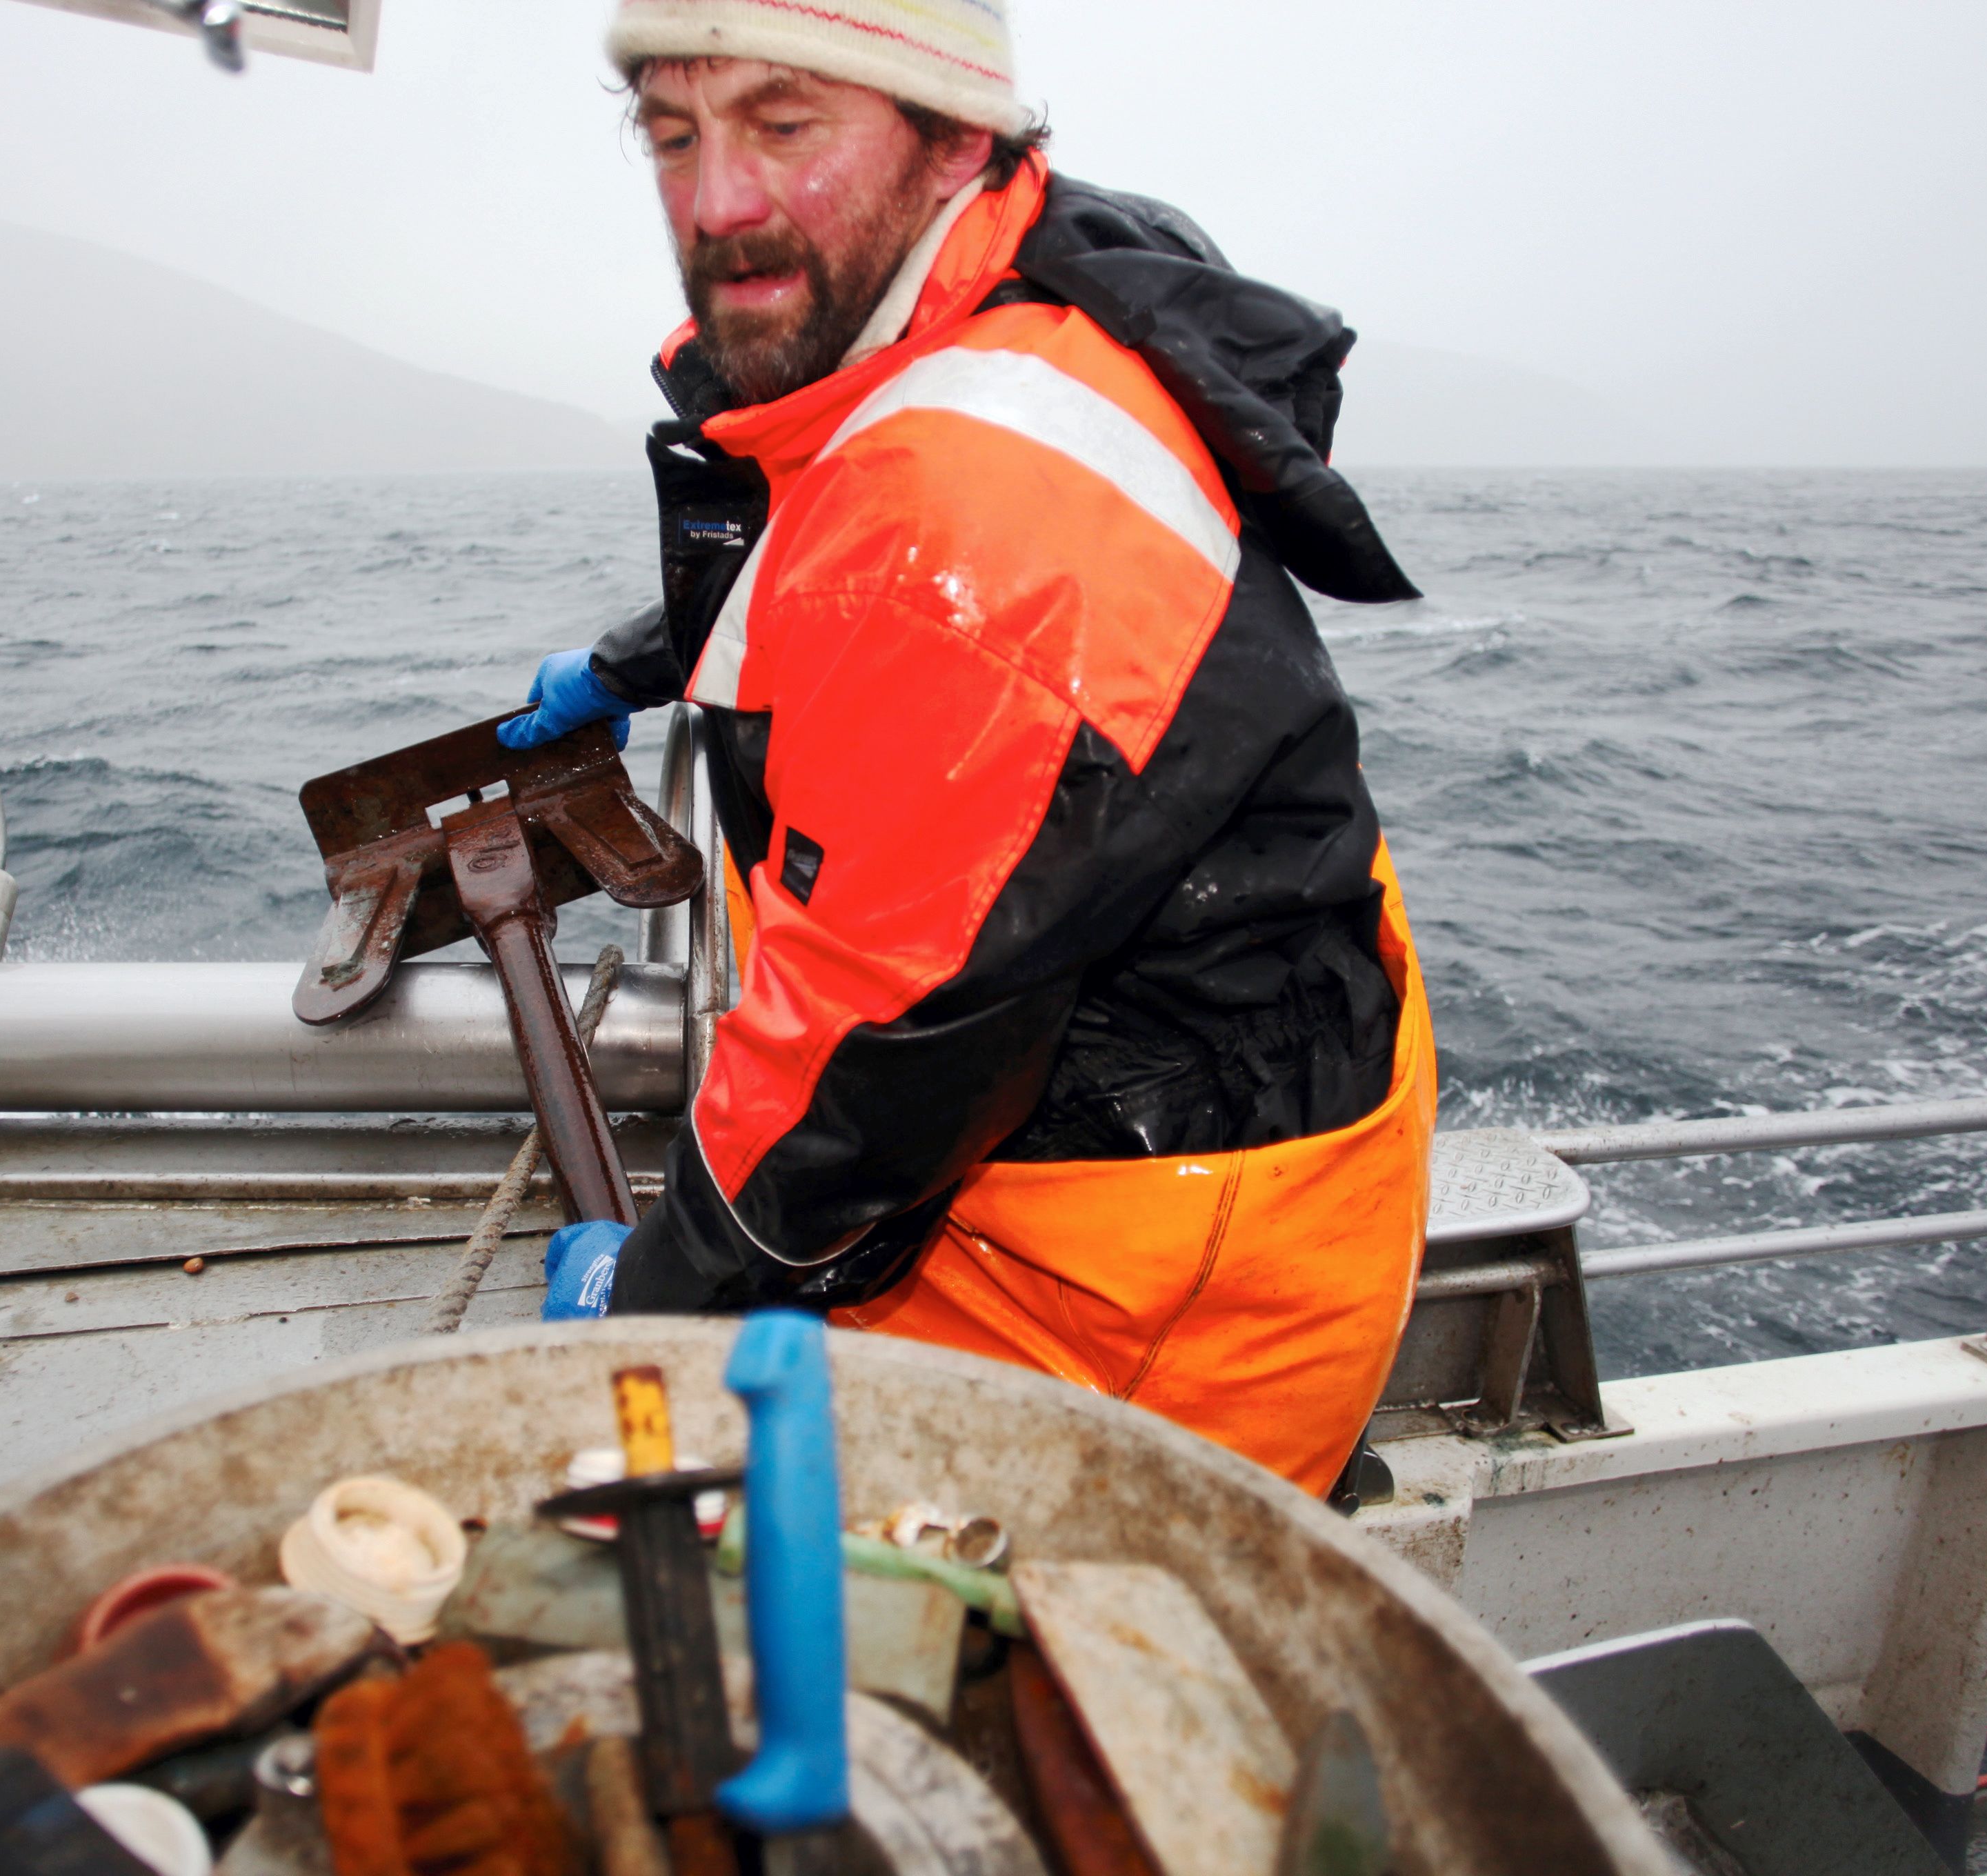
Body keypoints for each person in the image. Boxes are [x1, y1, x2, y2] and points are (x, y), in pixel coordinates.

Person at [501, 0, 1435, 1495]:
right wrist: (627, 666)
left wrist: (656, 1295)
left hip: (1139, 1309)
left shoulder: (970, 508)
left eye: (785, 123)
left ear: (953, 137)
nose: (719, 199)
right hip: (1201, 1122)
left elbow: (870, 1074)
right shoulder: (998, 289)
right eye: (674, 136)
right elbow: (832, 545)